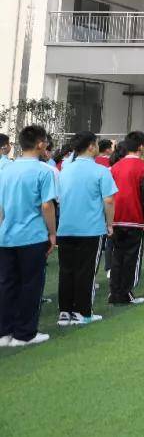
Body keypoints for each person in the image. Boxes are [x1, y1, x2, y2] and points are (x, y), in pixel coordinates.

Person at [0, 125, 57, 347]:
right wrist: (52, 233)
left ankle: (4, 333)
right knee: (30, 285)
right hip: (32, 236)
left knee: (7, 284)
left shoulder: (6, 170)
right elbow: (47, 206)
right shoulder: (44, 171)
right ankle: (24, 333)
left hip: (6, 236)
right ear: (41, 144)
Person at [55, 131, 117, 326]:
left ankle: (65, 312)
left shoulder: (65, 170)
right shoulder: (100, 171)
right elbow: (109, 200)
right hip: (90, 229)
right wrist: (109, 223)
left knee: (66, 271)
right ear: (91, 146)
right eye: (97, 143)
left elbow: (57, 199)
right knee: (85, 272)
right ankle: (82, 312)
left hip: (66, 228)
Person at [109, 137, 144, 305]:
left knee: (117, 256)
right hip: (134, 218)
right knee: (131, 258)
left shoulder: (114, 167)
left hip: (115, 218)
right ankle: (125, 292)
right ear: (141, 147)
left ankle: (115, 292)